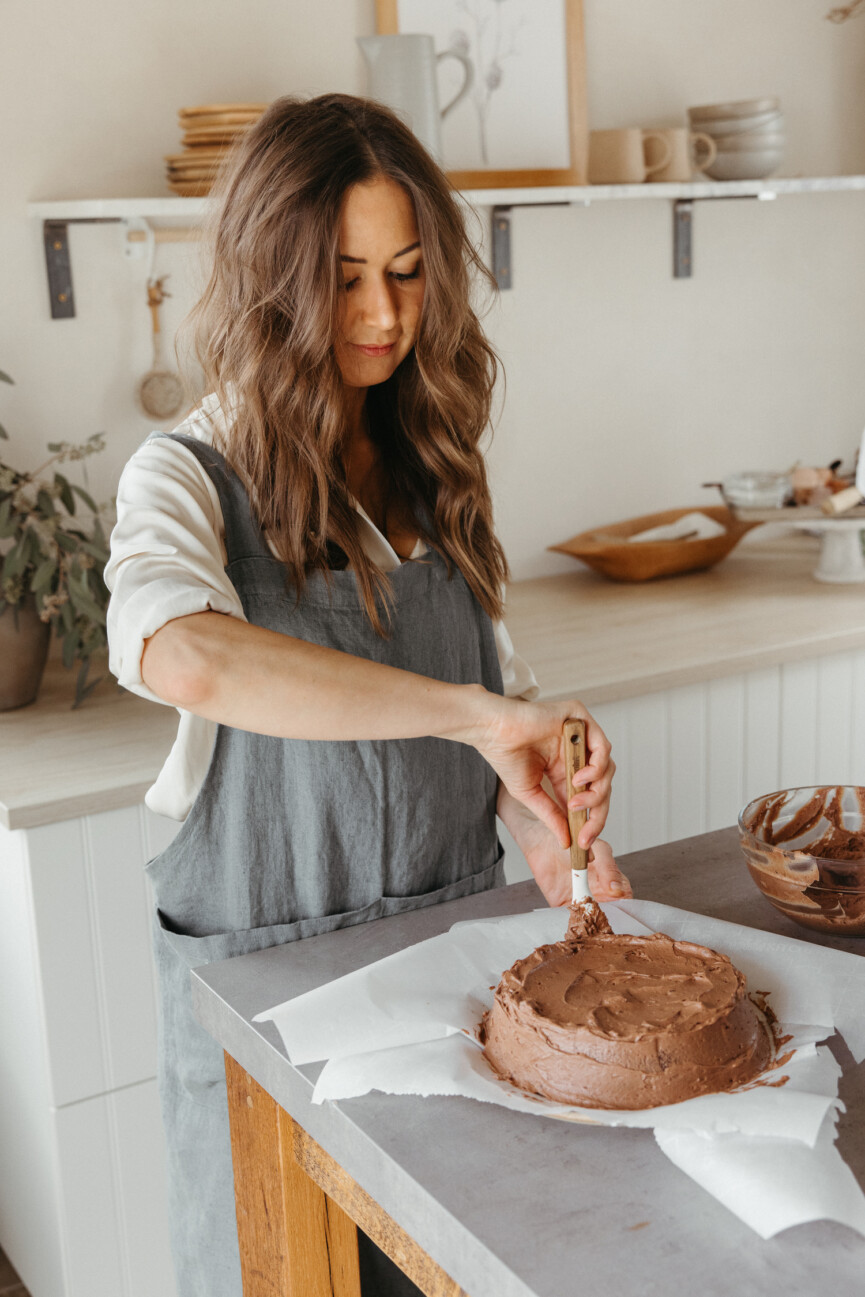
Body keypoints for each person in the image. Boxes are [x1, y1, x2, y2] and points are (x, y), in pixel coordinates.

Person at [105, 93, 631, 1297]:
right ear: (267, 275)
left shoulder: (437, 467)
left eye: (404, 273)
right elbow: (186, 654)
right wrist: (471, 715)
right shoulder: (185, 479)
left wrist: (550, 818)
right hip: (274, 1045)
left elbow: (512, 719)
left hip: (452, 1024)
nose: (383, 316)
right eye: (342, 278)